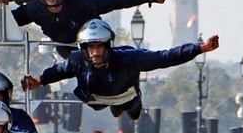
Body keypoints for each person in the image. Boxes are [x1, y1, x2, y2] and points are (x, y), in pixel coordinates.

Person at [21, 19, 220, 120]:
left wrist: (199, 48)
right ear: (85, 49)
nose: (96, 52)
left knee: (131, 112)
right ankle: (116, 107)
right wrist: (39, 80)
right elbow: (59, 70)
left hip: (126, 94)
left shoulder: (129, 59)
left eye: (99, 47)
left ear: (107, 47)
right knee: (112, 106)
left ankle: (127, 108)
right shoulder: (77, 60)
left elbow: (165, 57)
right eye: (91, 48)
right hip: (97, 97)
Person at [11, 0, 168, 58]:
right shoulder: (33, 8)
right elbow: (12, 19)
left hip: (94, 45)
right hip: (66, 48)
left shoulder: (83, 1)